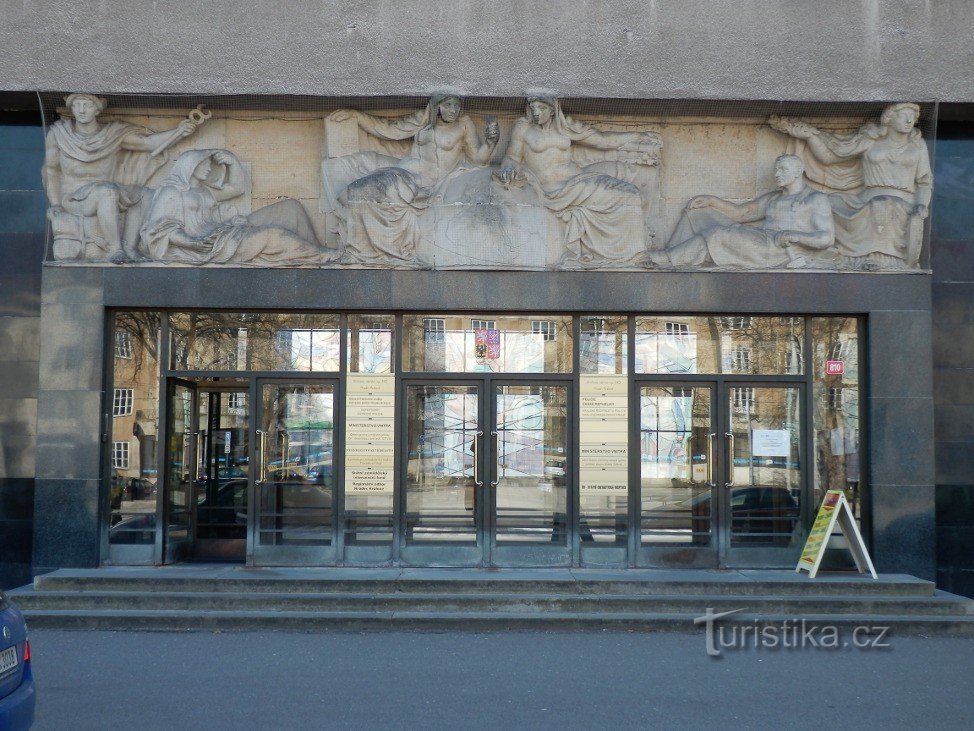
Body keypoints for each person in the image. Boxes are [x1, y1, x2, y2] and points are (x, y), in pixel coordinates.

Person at [322, 94, 499, 267]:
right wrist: (357, 116)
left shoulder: (464, 124)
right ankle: (358, 246)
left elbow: (478, 159)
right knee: (353, 181)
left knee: (359, 191)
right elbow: (391, 129)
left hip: (423, 184)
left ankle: (360, 250)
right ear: (437, 106)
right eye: (448, 104)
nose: (453, 110)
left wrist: (491, 142)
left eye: (457, 105)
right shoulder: (424, 120)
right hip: (404, 173)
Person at [496, 96, 660, 269]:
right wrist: (507, 169)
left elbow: (603, 140)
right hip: (554, 190)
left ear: (553, 110)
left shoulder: (565, 127)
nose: (536, 113)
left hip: (578, 180)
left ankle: (634, 253)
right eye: (533, 108)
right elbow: (512, 157)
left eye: (541, 108)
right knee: (625, 196)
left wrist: (638, 135)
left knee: (630, 192)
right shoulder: (523, 128)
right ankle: (631, 255)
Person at [43, 93, 204, 262]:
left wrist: (179, 132)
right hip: (75, 199)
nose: (82, 110)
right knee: (107, 191)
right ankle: (114, 250)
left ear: (98, 110)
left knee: (145, 195)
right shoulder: (59, 134)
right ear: (71, 109)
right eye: (77, 105)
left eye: (87, 105)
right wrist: (55, 204)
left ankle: (130, 247)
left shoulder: (111, 134)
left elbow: (148, 143)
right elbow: (51, 171)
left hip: (104, 189)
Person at [769, 103, 931, 268]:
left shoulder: (918, 146)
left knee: (881, 204)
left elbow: (924, 182)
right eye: (903, 114)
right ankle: (806, 248)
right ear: (888, 118)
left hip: (901, 203)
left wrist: (922, 205)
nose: (909, 119)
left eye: (913, 116)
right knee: (827, 202)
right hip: (867, 198)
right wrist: (810, 136)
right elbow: (829, 158)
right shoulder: (871, 140)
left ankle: (882, 258)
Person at [139, 149, 337, 266]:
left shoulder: (204, 192)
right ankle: (318, 255)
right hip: (208, 245)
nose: (208, 168)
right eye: (203, 164)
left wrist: (232, 162)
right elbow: (159, 229)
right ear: (190, 166)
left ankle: (318, 255)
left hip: (225, 231)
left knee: (290, 208)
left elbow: (237, 188)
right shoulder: (172, 192)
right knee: (272, 234)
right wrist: (192, 242)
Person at [647, 154, 834, 269]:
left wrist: (796, 236)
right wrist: (712, 201)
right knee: (696, 213)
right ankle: (673, 255)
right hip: (761, 240)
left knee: (718, 235)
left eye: (783, 169)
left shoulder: (815, 199)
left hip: (779, 251)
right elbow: (742, 213)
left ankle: (669, 259)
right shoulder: (773, 198)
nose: (777, 174)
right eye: (776, 169)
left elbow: (826, 238)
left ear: (798, 171)